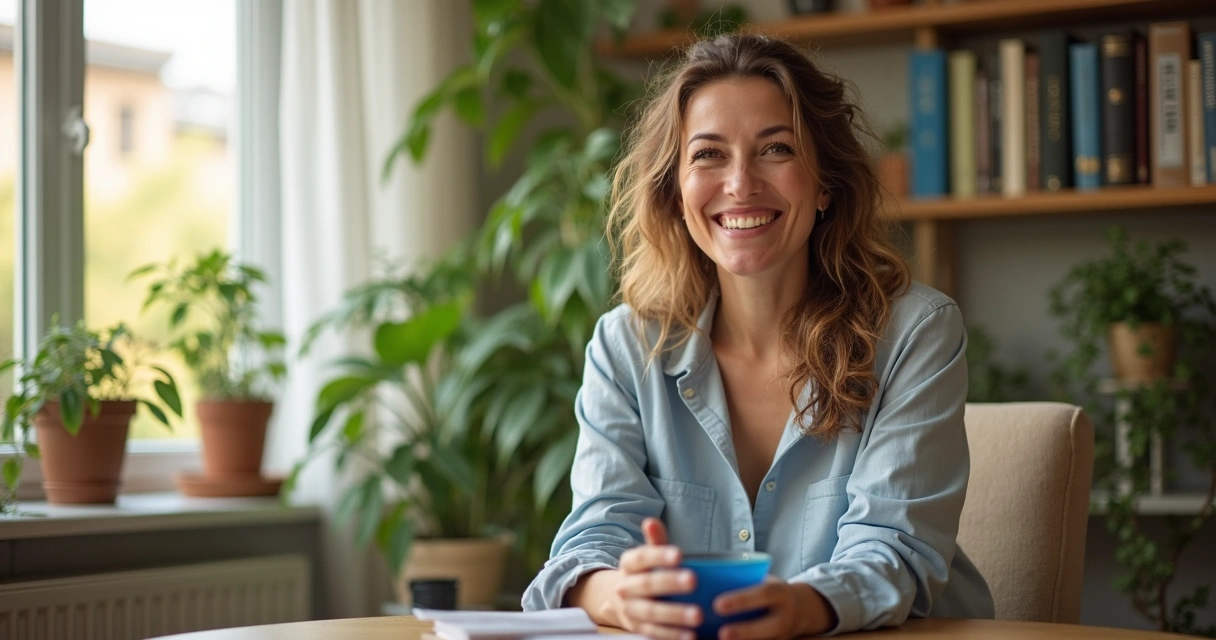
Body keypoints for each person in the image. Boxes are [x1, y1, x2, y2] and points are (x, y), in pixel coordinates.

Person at [521, 33, 994, 639]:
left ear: (825, 182)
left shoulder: (914, 333)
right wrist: (618, 594)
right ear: (675, 189)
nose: (740, 184)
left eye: (776, 149)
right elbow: (593, 541)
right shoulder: (624, 347)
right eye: (708, 155)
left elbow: (896, 550)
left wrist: (799, 607)